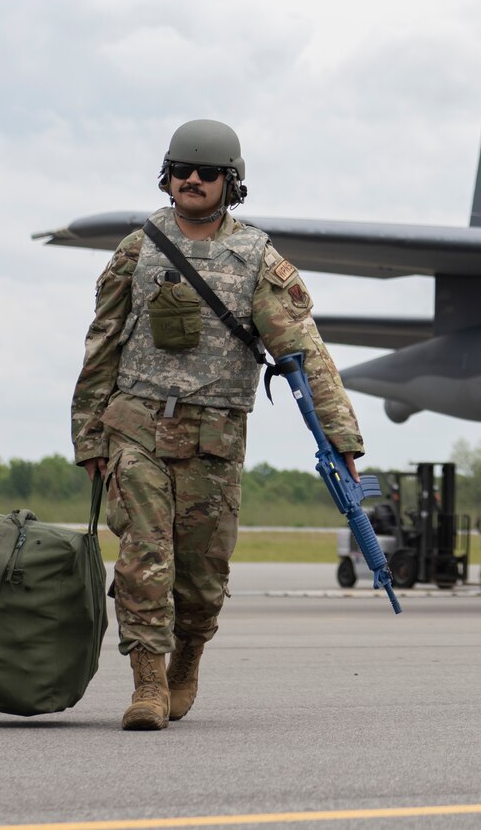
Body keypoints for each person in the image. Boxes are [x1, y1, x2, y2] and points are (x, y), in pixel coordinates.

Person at [71, 119, 367, 731]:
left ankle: (187, 660)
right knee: (143, 558)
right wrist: (89, 432)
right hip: (138, 425)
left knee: (203, 580)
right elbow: (102, 343)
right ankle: (148, 683)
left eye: (207, 173)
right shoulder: (139, 248)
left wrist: (341, 441)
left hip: (214, 439)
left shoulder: (256, 258)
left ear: (231, 183)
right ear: (167, 176)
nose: (193, 181)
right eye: (183, 171)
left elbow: (304, 352)